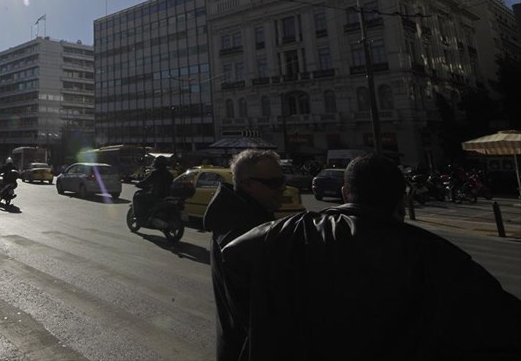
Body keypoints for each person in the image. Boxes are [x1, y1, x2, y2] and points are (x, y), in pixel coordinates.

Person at [221, 154, 521, 361]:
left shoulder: (291, 232)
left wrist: (267, 326)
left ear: (344, 192)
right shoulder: (438, 256)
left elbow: (232, 257)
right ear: (402, 199)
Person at [202, 149, 284, 361]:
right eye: (273, 182)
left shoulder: (242, 218)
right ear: (248, 184)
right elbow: (257, 314)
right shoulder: (241, 233)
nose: (281, 188)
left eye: (281, 180)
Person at [134, 156, 174, 220]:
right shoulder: (169, 174)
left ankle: (140, 217)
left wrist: (138, 184)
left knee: (138, 197)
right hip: (167, 195)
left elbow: (146, 181)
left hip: (157, 195)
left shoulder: (155, 173)